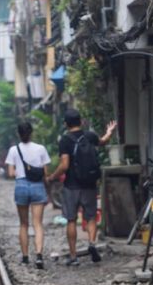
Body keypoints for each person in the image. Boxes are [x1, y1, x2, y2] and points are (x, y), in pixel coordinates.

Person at [48, 109, 116, 265]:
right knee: (91, 216)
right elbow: (103, 142)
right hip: (89, 184)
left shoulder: (65, 140)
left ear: (66, 124)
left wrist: (52, 176)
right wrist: (109, 132)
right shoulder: (89, 136)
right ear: (81, 121)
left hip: (71, 186)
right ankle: (92, 243)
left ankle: (73, 257)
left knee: (71, 220)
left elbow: (64, 165)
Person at [5, 121, 50, 269]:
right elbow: (46, 173)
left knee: (23, 224)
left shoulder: (13, 150)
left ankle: (25, 257)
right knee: (37, 223)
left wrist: (20, 173)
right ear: (31, 133)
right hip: (37, 186)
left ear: (18, 133)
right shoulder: (41, 148)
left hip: (21, 186)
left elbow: (11, 173)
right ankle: (38, 255)